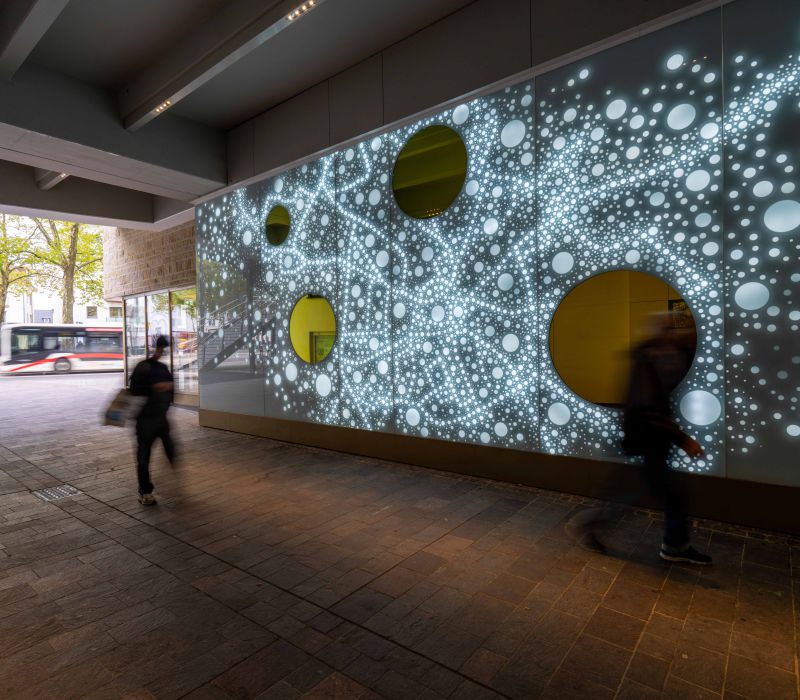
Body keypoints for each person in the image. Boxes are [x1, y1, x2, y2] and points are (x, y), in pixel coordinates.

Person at [570, 313, 712, 565]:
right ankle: (674, 545)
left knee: (636, 494)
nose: (674, 333)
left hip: (648, 439)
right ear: (661, 331)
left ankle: (592, 525)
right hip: (648, 440)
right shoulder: (650, 359)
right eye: (669, 329)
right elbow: (648, 406)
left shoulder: (662, 355)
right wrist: (682, 439)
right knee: (666, 495)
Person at [129, 335, 175, 505]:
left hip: (160, 418)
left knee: (168, 449)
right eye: (161, 348)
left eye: (164, 348)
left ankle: (164, 483)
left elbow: (171, 390)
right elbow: (134, 389)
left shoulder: (162, 368)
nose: (162, 351)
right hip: (146, 420)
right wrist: (155, 387)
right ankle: (145, 492)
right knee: (144, 456)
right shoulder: (144, 367)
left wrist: (167, 388)